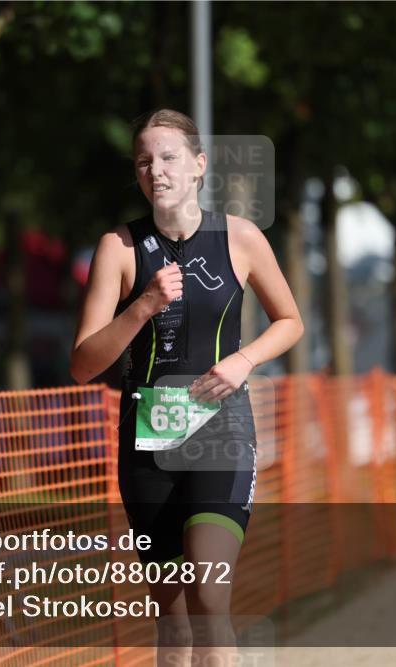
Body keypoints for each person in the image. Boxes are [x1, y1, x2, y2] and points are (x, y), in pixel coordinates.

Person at [71, 109, 303, 664]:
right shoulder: (119, 248)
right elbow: (82, 363)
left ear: (198, 165)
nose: (157, 171)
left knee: (207, 593)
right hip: (148, 437)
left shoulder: (241, 238)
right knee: (172, 614)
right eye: (144, 161)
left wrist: (243, 362)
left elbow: (290, 320)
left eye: (169, 157)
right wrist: (143, 306)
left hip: (222, 430)